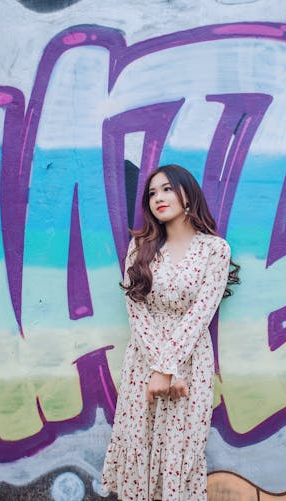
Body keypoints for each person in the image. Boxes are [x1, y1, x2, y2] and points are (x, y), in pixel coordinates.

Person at [102, 164, 238, 500]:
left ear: (187, 194)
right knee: (139, 441)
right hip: (143, 362)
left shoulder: (215, 250)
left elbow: (200, 314)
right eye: (151, 193)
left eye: (166, 189)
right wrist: (159, 368)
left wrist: (170, 369)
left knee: (181, 448)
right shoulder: (141, 248)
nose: (158, 198)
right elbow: (138, 312)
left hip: (191, 362)